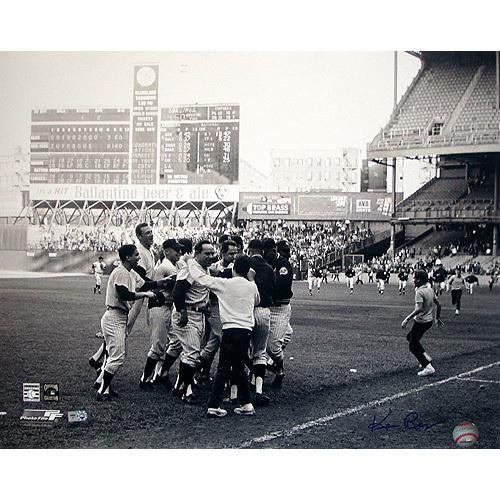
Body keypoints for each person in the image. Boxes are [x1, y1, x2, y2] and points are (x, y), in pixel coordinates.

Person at [187, 254, 260, 417]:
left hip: (230, 329)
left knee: (224, 367)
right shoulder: (251, 286)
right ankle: (247, 403)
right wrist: (252, 280)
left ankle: (213, 404)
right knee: (239, 366)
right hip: (246, 330)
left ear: (234, 269)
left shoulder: (225, 284)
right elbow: (257, 300)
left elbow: (201, 278)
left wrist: (191, 261)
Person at [95, 244, 156, 400]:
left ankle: (105, 388)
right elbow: (124, 295)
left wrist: (164, 282)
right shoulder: (121, 272)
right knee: (118, 357)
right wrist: (146, 294)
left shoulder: (129, 272)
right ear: (128, 257)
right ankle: (102, 390)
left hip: (119, 317)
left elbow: (145, 283)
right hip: (114, 316)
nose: (139, 257)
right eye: (136, 255)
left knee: (115, 355)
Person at [171, 240, 216, 404]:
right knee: (192, 352)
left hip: (199, 314)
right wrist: (182, 312)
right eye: (207, 253)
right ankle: (187, 391)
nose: (210, 256)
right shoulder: (190, 269)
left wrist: (206, 305)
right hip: (187, 314)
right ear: (197, 253)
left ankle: (179, 386)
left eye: (212, 253)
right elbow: (178, 292)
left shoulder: (205, 269)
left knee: (191, 353)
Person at [139, 238, 183, 390]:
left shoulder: (174, 265)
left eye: (180, 249)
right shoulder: (165, 267)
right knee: (158, 346)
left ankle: (161, 374)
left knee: (176, 341)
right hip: (159, 307)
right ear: (167, 251)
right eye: (176, 250)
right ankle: (145, 379)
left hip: (168, 308)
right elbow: (156, 289)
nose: (179, 252)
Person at [196, 239, 238, 384]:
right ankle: (230, 377)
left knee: (214, 342)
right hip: (213, 307)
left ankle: (194, 369)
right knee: (219, 339)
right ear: (222, 253)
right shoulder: (213, 267)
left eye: (235, 253)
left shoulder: (236, 269)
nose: (233, 256)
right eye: (230, 253)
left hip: (229, 308)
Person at [247, 239, 275, 406]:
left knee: (244, 351)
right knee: (260, 352)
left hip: (247, 311)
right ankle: (258, 390)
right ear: (262, 251)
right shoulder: (269, 268)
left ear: (250, 250)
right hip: (263, 310)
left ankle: (237, 392)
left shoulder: (244, 264)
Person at [401, 270, 442, 377]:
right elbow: (439, 304)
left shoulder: (419, 292)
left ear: (419, 280)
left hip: (421, 321)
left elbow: (419, 309)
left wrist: (407, 319)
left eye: (414, 278)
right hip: (429, 321)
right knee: (410, 337)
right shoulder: (430, 290)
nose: (413, 280)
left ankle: (428, 367)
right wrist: (437, 318)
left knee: (413, 346)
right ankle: (426, 357)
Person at [267, 240, 293, 389]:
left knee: (273, 347)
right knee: (287, 333)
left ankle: (278, 368)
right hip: (268, 306)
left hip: (279, 305)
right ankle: (256, 375)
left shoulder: (283, 264)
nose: (288, 254)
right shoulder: (267, 262)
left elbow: (282, 287)